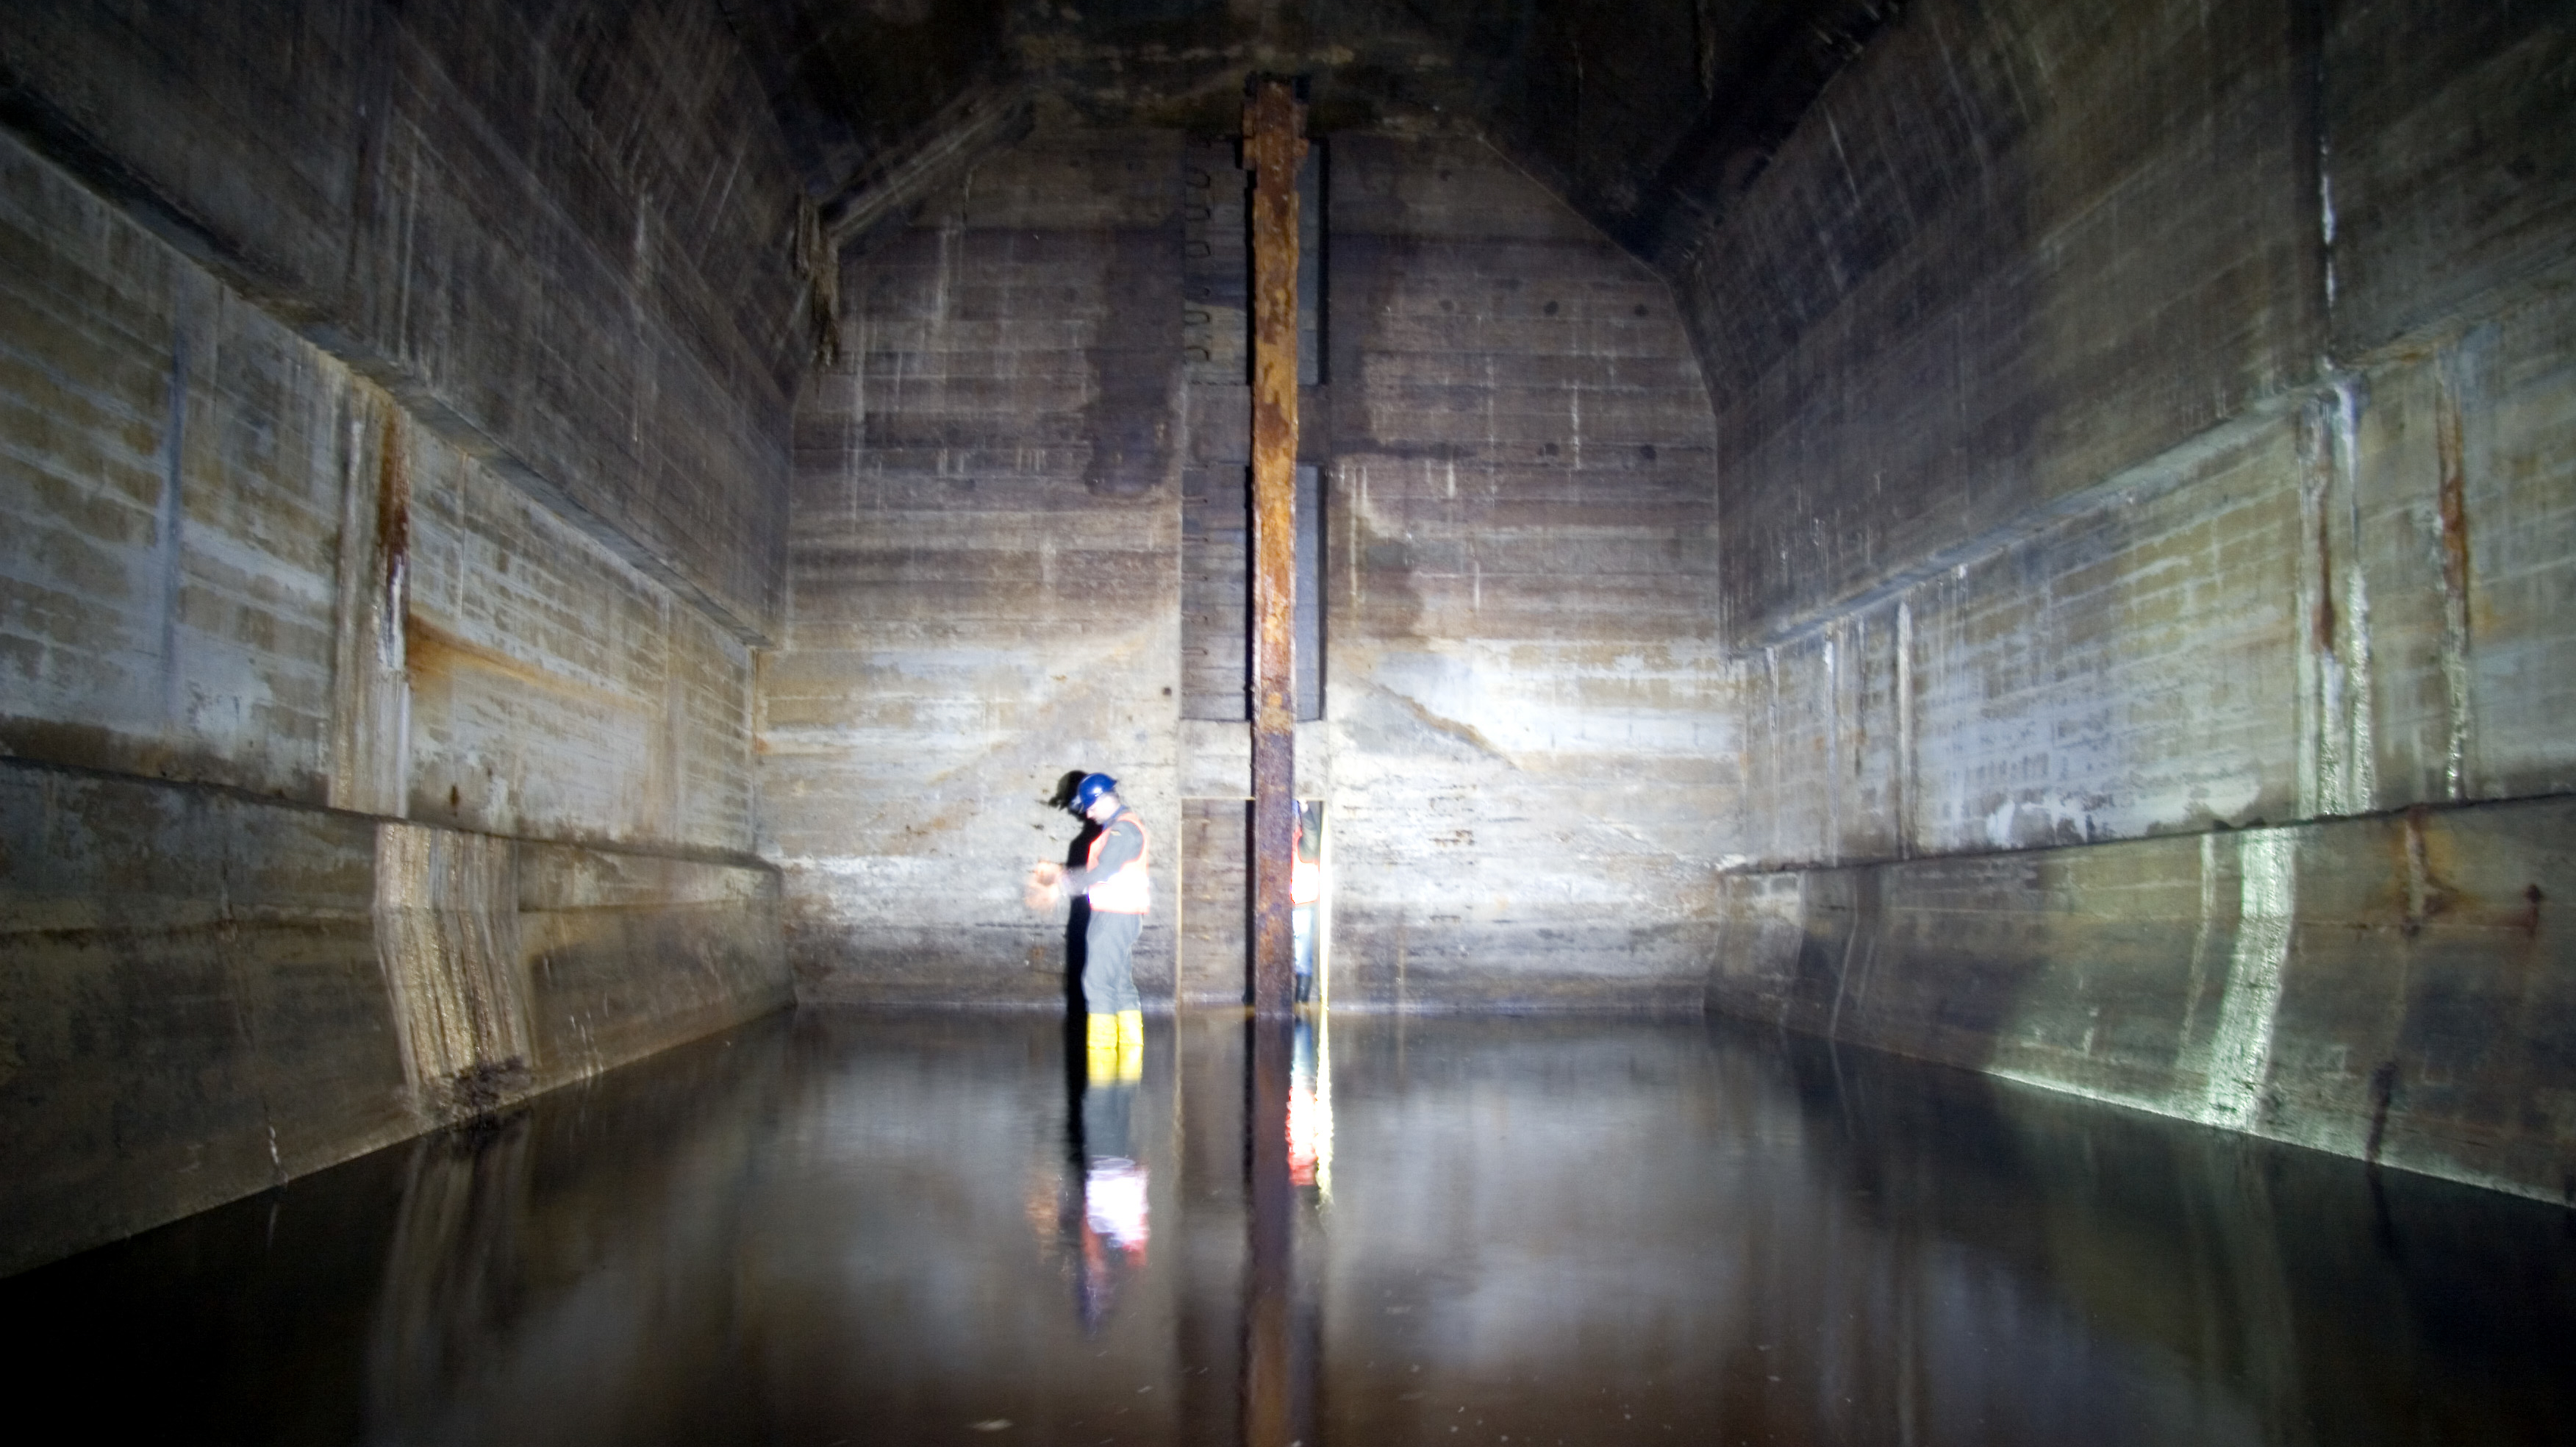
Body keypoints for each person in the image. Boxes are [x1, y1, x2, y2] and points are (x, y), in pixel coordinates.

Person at [1031, 772, 1150, 1050]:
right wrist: (1062, 874)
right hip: (1120, 913)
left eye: (1091, 808)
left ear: (1105, 800)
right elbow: (1104, 870)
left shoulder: (1123, 830)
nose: (1088, 815)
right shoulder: (1122, 828)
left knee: (1097, 983)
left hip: (1114, 915)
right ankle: (1130, 1055)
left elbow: (1103, 871)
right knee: (1119, 983)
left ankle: (1102, 1058)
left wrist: (1061, 882)